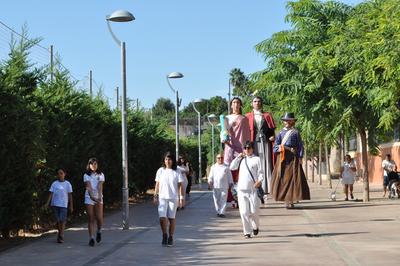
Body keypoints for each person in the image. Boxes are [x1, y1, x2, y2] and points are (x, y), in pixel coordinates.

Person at [271, 112, 310, 209]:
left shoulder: (296, 132)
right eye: (286, 120)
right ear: (284, 122)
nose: (287, 122)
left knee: (293, 180)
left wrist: (300, 157)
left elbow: (300, 146)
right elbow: (275, 147)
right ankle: (285, 199)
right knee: (284, 179)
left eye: (290, 120)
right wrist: (283, 148)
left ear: (293, 122)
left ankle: (291, 199)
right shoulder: (280, 133)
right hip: (283, 159)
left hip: (293, 158)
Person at [230, 141, 263, 238]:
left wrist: (259, 181)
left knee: (254, 211)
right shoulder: (241, 159)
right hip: (242, 190)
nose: (247, 150)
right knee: (244, 212)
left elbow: (261, 173)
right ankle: (247, 232)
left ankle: (255, 226)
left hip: (253, 190)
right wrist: (238, 157)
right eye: (245, 148)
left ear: (252, 149)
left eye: (249, 148)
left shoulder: (257, 159)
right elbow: (232, 167)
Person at [222, 97, 251, 206]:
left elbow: (247, 135)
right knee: (229, 172)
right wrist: (223, 138)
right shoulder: (226, 118)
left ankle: (240, 197)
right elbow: (223, 132)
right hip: (230, 147)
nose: (236, 104)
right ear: (231, 105)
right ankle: (231, 198)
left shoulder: (244, 119)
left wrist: (246, 148)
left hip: (241, 148)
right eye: (234, 102)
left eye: (238, 102)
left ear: (240, 105)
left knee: (240, 173)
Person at [245, 96, 276, 198]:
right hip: (253, 143)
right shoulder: (247, 116)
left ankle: (267, 188)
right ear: (251, 104)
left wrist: (272, 136)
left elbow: (272, 130)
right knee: (254, 163)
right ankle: (255, 187)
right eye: (255, 101)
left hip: (265, 142)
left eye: (258, 101)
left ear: (261, 103)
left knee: (266, 163)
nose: (257, 103)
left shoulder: (267, 115)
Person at [153, 152, 185, 247]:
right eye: (166, 159)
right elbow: (157, 184)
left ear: (173, 161)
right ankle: (164, 234)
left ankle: (171, 237)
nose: (168, 161)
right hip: (162, 197)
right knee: (162, 218)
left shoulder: (177, 171)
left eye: (170, 159)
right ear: (164, 160)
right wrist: (155, 196)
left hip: (173, 198)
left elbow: (180, 186)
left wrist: (181, 198)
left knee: (171, 218)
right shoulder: (160, 171)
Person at [46, 168, 73, 243]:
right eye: (58, 174)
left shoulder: (68, 184)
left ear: (65, 174)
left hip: (64, 205)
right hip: (55, 204)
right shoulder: (54, 183)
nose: (60, 175)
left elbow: (70, 195)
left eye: (61, 173)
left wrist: (71, 206)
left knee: (62, 220)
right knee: (57, 221)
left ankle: (61, 235)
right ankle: (60, 233)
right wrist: (47, 203)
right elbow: (51, 194)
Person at [84, 158, 105, 247]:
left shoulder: (101, 174)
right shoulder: (86, 175)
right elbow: (88, 186)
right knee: (90, 218)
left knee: (99, 218)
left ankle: (99, 231)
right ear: (89, 165)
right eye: (92, 164)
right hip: (89, 197)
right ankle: (91, 238)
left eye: (95, 164)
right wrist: (92, 197)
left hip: (98, 197)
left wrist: (99, 197)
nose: (93, 165)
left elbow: (100, 185)